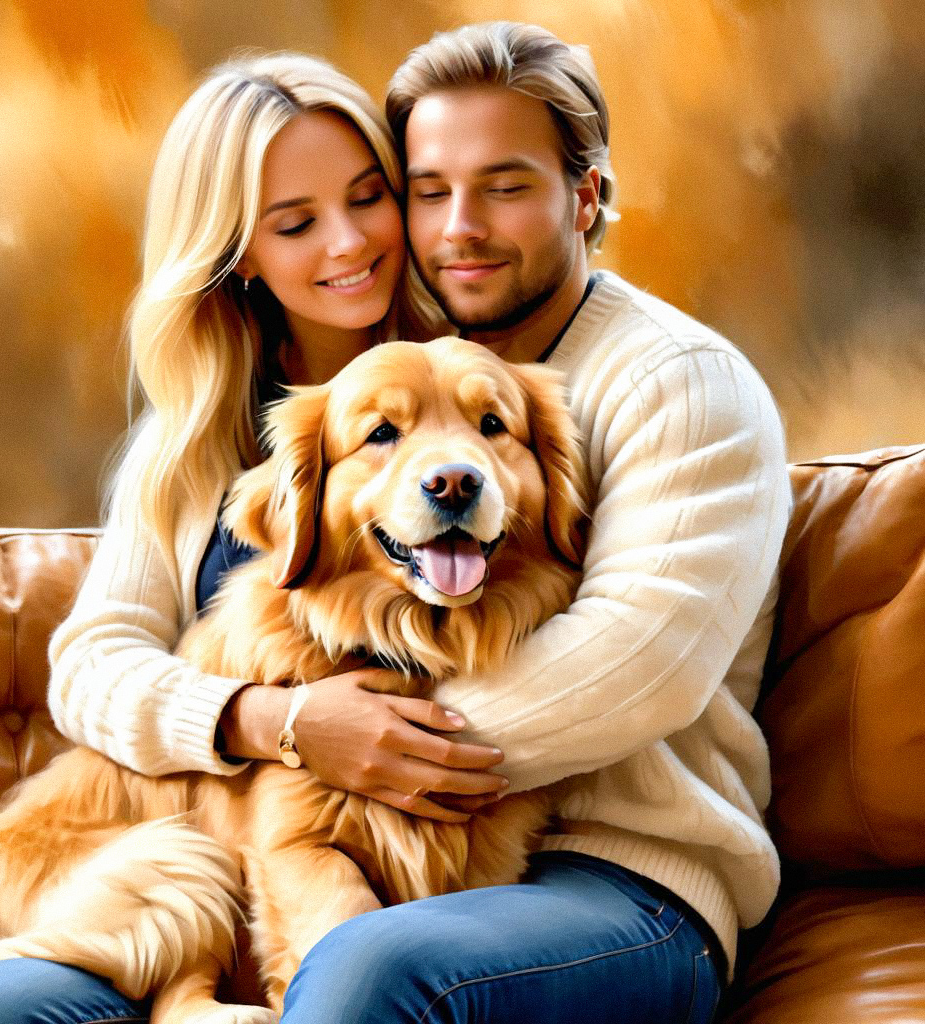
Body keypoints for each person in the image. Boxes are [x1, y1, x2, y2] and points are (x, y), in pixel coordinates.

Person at [0, 51, 507, 1024]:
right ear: (238, 252)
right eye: (296, 222)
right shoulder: (187, 446)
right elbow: (91, 668)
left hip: (396, 862)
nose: (350, 241)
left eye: (369, 197)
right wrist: (279, 721)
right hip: (188, 856)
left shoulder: (491, 394)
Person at [271, 21, 792, 1024]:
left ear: (586, 196)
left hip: (616, 882)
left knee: (374, 970)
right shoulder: (405, 376)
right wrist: (274, 730)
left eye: (504, 185)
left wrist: (338, 750)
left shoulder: (680, 385)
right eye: (430, 190)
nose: (458, 225)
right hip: (408, 854)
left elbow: (635, 666)